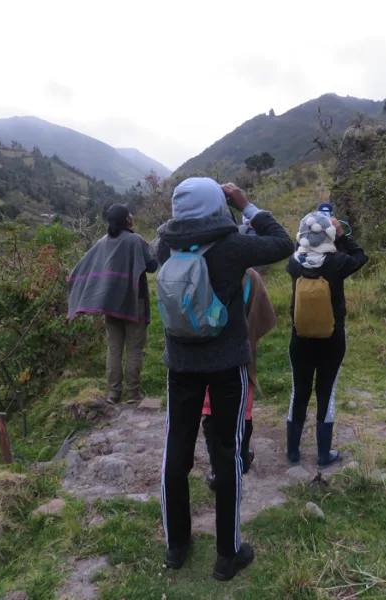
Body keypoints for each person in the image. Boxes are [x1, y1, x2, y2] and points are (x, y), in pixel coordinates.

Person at [156, 177, 293, 581]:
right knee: (227, 453)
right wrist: (245, 203)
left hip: (180, 365)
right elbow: (282, 243)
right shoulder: (232, 247)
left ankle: (177, 547)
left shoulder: (166, 245)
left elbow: (154, 254)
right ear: (218, 205)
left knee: (175, 453)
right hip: (227, 365)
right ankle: (227, 555)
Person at [285, 208, 368, 467]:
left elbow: (301, 246)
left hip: (300, 338)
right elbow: (360, 256)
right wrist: (341, 236)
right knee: (326, 393)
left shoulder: (293, 264)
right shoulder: (337, 263)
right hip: (332, 338)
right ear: (330, 236)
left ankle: (293, 452)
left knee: (299, 392)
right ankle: (323, 455)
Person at [67, 204, 158, 402]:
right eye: (130, 214)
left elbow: (83, 267)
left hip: (110, 305)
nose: (132, 216)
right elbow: (152, 266)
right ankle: (133, 394)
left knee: (114, 350)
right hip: (135, 302)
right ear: (127, 220)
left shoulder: (102, 242)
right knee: (134, 349)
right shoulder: (135, 240)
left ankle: (113, 394)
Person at [202, 266, 277, 491]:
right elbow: (262, 315)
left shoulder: (201, 267)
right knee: (243, 408)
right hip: (240, 353)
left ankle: (217, 470)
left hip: (207, 352)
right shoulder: (250, 274)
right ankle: (241, 460)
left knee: (210, 410)